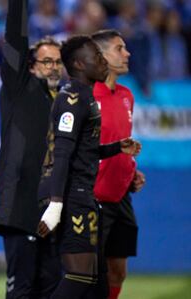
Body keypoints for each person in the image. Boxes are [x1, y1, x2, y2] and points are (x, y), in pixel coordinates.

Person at [37, 35, 141, 299]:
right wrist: (56, 206)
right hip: (73, 198)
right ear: (80, 64)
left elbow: (86, 151)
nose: (101, 60)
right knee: (80, 276)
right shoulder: (71, 99)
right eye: (95, 56)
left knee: (98, 279)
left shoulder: (86, 97)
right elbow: (62, 154)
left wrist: (117, 148)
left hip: (86, 198)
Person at [0, 0, 64, 297]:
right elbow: (15, 40)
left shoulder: (66, 101)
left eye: (58, 61)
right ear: (31, 66)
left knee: (52, 287)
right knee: (22, 288)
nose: (54, 66)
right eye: (47, 61)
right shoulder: (19, 87)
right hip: (21, 205)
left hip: (52, 207)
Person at [91, 29, 146, 299]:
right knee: (90, 274)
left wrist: (131, 171)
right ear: (100, 56)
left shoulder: (127, 95)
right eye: (119, 48)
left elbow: (120, 143)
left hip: (121, 197)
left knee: (118, 271)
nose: (127, 53)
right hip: (92, 198)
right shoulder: (86, 95)